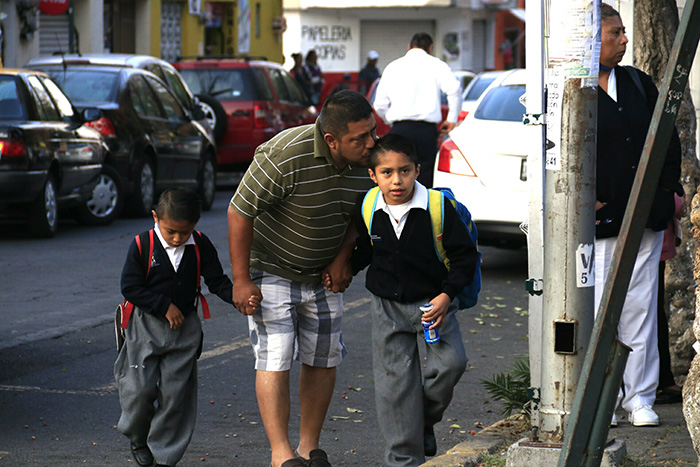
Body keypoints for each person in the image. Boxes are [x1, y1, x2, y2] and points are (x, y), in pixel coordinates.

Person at [227, 89, 377, 467]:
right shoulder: (284, 155)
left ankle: (310, 446)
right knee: (276, 354)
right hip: (273, 268)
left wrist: (344, 258)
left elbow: (361, 214)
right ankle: (281, 453)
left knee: (323, 356)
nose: (370, 143)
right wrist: (241, 280)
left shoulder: (368, 161)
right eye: (359, 138)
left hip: (323, 273)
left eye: (372, 132)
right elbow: (239, 211)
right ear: (331, 140)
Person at [351, 134, 478, 466]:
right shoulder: (367, 207)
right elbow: (366, 251)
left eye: (405, 171)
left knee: (451, 364)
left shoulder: (437, 208)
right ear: (373, 175)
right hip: (387, 309)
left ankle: (422, 419)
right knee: (394, 392)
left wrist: (446, 296)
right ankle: (403, 460)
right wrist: (340, 270)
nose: (397, 180)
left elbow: (464, 257)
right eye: (387, 172)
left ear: (418, 170)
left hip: (432, 307)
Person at [595, 3, 682, 427]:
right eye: (615, 33)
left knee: (641, 308)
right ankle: (600, 401)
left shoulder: (637, 82)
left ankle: (640, 398)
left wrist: (665, 193)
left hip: (645, 215)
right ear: (591, 40)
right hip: (596, 225)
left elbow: (668, 138)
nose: (624, 40)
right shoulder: (569, 91)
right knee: (596, 310)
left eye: (625, 32)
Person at [115, 188, 236, 467]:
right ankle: (138, 437)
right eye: (171, 232)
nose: (179, 238)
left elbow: (216, 281)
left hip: (184, 329)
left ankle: (164, 456)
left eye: (186, 232)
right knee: (138, 391)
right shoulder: (141, 245)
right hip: (145, 326)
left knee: (176, 395)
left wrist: (238, 298)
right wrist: (162, 305)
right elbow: (130, 287)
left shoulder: (201, 244)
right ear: (156, 217)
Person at [373, 32, 462, 188]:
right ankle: (422, 210)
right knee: (424, 175)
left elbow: (379, 104)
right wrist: (451, 119)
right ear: (431, 48)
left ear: (409, 46)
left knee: (397, 176)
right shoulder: (437, 65)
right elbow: (454, 90)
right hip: (426, 132)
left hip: (399, 130)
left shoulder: (393, 66)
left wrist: (390, 121)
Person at [656, 192, 685, 404]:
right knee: (652, 314)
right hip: (651, 236)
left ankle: (663, 379)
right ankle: (663, 379)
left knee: (653, 314)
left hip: (656, 239)